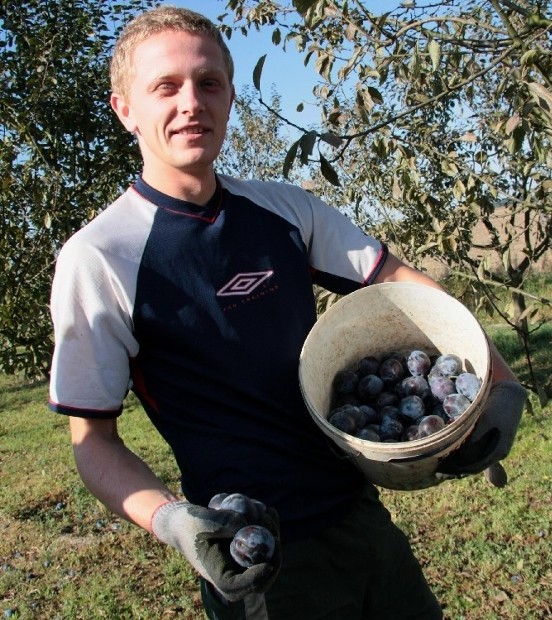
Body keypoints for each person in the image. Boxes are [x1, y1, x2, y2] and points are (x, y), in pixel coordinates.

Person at [48, 6, 527, 619]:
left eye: (208, 82)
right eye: (165, 87)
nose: (191, 102)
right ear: (125, 110)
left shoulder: (286, 211)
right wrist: (172, 521)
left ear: (228, 97)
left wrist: (502, 384)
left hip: (358, 514)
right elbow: (92, 440)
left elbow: (404, 285)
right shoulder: (101, 258)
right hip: (259, 554)